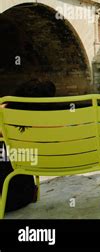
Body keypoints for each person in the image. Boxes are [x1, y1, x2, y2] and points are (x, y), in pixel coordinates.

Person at [0, 79, 56, 213]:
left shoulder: (3, 112)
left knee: (6, 151)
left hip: (9, 195)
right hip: (19, 198)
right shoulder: (50, 123)